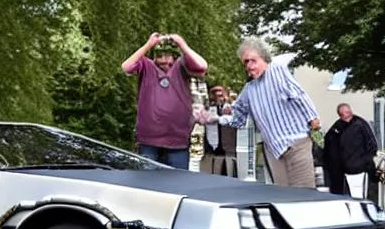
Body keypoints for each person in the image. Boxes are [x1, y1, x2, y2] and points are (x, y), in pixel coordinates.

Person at [198, 36, 321, 188]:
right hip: (274, 150)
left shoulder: (277, 70)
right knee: (284, 197)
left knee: (304, 193)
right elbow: (238, 120)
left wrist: (313, 118)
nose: (249, 65)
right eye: (245, 62)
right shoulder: (249, 90)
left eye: (252, 60)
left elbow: (299, 94)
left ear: (264, 58)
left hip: (297, 144)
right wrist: (215, 119)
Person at [121, 32, 207, 169]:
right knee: (148, 185)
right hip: (148, 141)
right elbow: (126, 67)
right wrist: (148, 45)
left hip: (178, 141)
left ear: (174, 56)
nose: (162, 60)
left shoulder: (182, 65)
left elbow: (202, 66)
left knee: (178, 184)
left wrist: (181, 44)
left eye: (166, 55)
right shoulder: (146, 65)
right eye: (158, 55)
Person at [323, 103, 378, 198]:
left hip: (358, 168)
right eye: (344, 113)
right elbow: (329, 147)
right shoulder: (337, 128)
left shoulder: (359, 125)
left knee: (359, 194)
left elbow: (371, 145)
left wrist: (364, 162)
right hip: (342, 170)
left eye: (348, 112)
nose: (347, 115)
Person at [200, 85, 237, 176]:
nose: (217, 97)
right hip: (210, 154)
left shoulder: (233, 108)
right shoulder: (205, 109)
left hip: (229, 153)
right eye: (214, 94)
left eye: (221, 95)